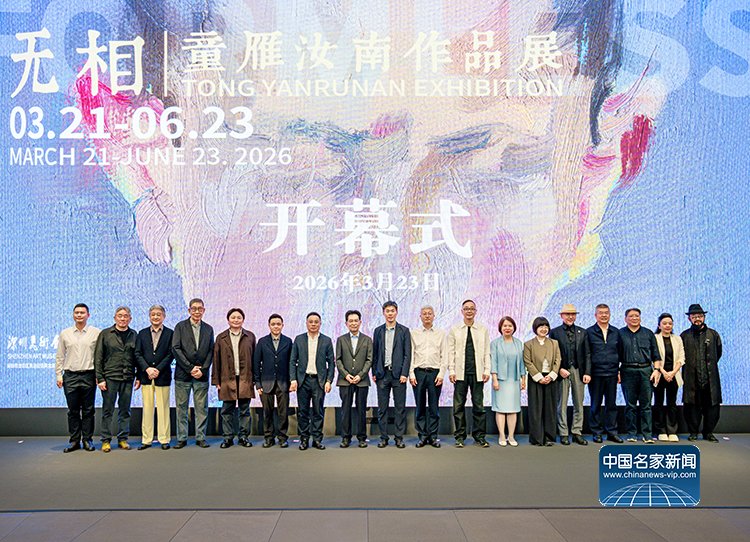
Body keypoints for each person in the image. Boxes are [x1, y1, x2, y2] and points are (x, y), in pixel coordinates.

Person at [55, 303, 100, 453]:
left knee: (88, 410)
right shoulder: (65, 333)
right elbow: (60, 356)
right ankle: (74, 441)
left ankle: (87, 440)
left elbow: (100, 356)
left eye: (82, 312)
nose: (79, 315)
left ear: (88, 315)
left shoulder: (96, 333)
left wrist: (99, 376)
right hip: (70, 376)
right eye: (77, 313)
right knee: (73, 411)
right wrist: (58, 374)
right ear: (73, 315)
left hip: (89, 375)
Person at [94, 306, 138, 453]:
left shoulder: (134, 334)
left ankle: (123, 439)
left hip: (128, 377)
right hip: (110, 377)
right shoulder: (105, 334)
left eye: (125, 316)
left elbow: (137, 357)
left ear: (130, 319)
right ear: (115, 318)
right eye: (120, 316)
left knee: (125, 410)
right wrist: (100, 378)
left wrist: (139, 376)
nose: (122, 318)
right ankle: (106, 440)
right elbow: (98, 357)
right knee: (108, 410)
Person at [172, 298, 215, 449]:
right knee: (181, 408)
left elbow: (211, 351)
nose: (197, 311)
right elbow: (175, 348)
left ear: (204, 310)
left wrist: (202, 370)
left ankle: (200, 437)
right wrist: (190, 368)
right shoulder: (180, 326)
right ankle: (182, 438)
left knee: (201, 408)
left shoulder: (208, 329)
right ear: (189, 310)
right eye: (194, 308)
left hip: (201, 375)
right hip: (183, 375)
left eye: (200, 309)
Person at [448, 299, 491, 448]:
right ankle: (460, 437)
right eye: (466, 308)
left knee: (479, 406)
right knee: (458, 406)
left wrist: (487, 370)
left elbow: (486, 351)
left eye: (472, 308)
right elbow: (451, 352)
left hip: (478, 373)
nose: (469, 311)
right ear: (462, 311)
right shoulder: (455, 329)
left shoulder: (482, 329)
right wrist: (451, 370)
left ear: (476, 311)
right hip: (460, 374)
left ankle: (480, 436)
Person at [289, 312, 335, 450]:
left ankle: (317, 439)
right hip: (303, 381)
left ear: (320, 323)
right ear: (306, 323)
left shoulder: (326, 340)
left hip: (319, 381)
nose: (313, 324)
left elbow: (331, 363)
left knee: (318, 412)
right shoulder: (299, 339)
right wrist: (293, 379)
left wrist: (328, 380)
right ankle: (304, 439)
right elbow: (292, 361)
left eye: (316, 322)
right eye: (311, 321)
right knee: (302, 412)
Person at [212, 308, 256, 448]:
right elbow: (216, 360)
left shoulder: (250, 336)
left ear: (243, 320)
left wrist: (255, 379)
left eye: (239, 317)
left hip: (245, 378)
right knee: (227, 410)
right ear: (228, 320)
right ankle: (227, 438)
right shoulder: (221, 337)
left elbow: (255, 359)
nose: (236, 320)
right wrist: (216, 380)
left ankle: (243, 437)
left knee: (244, 410)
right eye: (233, 317)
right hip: (226, 379)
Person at [680, 304, 723, 443]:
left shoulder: (713, 334)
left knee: (712, 407)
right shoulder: (684, 336)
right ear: (689, 319)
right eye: (694, 316)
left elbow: (718, 353)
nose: (697, 319)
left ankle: (708, 432)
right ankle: (693, 432)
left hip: (710, 377)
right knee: (691, 407)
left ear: (704, 317)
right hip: (691, 377)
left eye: (700, 316)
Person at [549, 304, 590, 446]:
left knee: (579, 402)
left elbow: (587, 354)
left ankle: (577, 432)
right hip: (562, 371)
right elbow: (552, 354)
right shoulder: (554, 332)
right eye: (567, 314)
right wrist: (559, 369)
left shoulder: (583, 332)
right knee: (562, 403)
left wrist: (587, 372)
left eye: (573, 314)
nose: (570, 317)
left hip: (578, 370)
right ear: (562, 316)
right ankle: (563, 433)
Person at [372, 301, 412, 448]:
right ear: (384, 313)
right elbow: (375, 353)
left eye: (392, 311)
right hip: (382, 374)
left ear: (396, 312)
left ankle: (399, 438)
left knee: (399, 408)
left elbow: (407, 354)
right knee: (382, 408)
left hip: (398, 375)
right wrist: (374, 372)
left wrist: (404, 373)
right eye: (387, 311)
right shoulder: (378, 331)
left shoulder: (404, 330)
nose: (390, 313)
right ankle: (383, 437)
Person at [619, 308, 661, 443]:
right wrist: (617, 372)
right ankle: (631, 433)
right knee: (630, 405)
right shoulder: (620, 334)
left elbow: (656, 355)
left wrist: (656, 370)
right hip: (627, 370)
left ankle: (647, 434)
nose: (634, 318)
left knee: (646, 405)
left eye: (637, 316)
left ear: (640, 318)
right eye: (631, 316)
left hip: (646, 371)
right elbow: (616, 355)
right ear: (625, 319)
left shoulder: (648, 333)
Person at [134, 305, 174, 450]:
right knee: (147, 408)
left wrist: (158, 369)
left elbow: (171, 354)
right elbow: (137, 353)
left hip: (162, 376)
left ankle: (164, 439)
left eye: (159, 314)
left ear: (164, 316)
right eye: (153, 314)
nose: (156, 317)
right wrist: (147, 369)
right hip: (146, 376)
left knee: (163, 408)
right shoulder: (142, 333)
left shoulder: (170, 333)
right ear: (149, 316)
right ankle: (147, 439)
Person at [585, 304, 624, 443]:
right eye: (600, 313)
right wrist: (587, 372)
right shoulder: (589, 332)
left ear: (610, 315)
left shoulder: (616, 332)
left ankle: (612, 432)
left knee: (611, 405)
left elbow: (620, 352)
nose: (604, 315)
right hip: (596, 374)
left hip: (612, 373)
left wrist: (619, 370)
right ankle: (597, 432)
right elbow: (587, 354)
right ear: (595, 315)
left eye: (606, 313)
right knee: (595, 404)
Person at [409, 306, 447, 448]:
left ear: (434, 316)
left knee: (433, 406)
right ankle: (422, 436)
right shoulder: (414, 333)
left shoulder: (441, 334)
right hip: (418, 373)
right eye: (424, 314)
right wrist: (411, 373)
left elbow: (444, 355)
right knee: (419, 406)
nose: (427, 316)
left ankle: (433, 436)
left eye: (429, 313)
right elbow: (411, 354)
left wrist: (442, 374)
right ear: (420, 316)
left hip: (435, 373)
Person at [253, 313, 292, 448]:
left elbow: (291, 363)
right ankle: (268, 437)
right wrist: (257, 383)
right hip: (266, 383)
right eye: (273, 324)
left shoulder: (288, 341)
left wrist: (292, 381)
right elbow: (256, 363)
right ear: (269, 326)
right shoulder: (262, 341)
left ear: (282, 325)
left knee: (283, 412)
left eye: (278, 324)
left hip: (283, 382)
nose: (276, 326)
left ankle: (282, 437)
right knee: (267, 412)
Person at [335, 310, 373, 448]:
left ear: (360, 322)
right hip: (345, 380)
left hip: (362, 381)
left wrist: (360, 375)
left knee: (361, 410)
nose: (353, 323)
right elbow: (338, 360)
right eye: (350, 321)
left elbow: (369, 360)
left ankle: (362, 437)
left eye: (356, 320)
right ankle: (346, 437)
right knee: (345, 410)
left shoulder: (367, 340)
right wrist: (346, 375)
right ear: (346, 323)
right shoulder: (341, 339)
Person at [523, 317, 561, 446]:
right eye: (541, 326)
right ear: (535, 328)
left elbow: (558, 360)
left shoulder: (554, 343)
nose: (544, 329)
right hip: (536, 379)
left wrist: (551, 375)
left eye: (546, 326)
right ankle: (537, 438)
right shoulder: (528, 344)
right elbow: (528, 362)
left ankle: (549, 437)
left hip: (551, 378)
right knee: (536, 409)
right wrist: (539, 377)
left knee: (550, 408)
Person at [490, 316, 526, 447]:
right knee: (500, 409)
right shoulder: (495, 343)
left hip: (514, 380)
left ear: (514, 328)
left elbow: (522, 362)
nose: (507, 328)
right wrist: (494, 379)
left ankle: (511, 436)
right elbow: (493, 362)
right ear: (500, 327)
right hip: (500, 380)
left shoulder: (518, 343)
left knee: (513, 409)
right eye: (505, 326)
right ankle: (501, 435)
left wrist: (523, 379)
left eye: (510, 326)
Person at [653, 313, 685, 442]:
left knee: (672, 403)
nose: (667, 326)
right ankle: (660, 430)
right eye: (664, 323)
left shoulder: (677, 339)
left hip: (674, 376)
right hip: (659, 375)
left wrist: (672, 373)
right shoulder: (655, 338)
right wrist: (663, 372)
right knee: (659, 403)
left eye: (670, 323)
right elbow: (653, 357)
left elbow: (681, 358)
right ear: (659, 325)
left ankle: (672, 430)